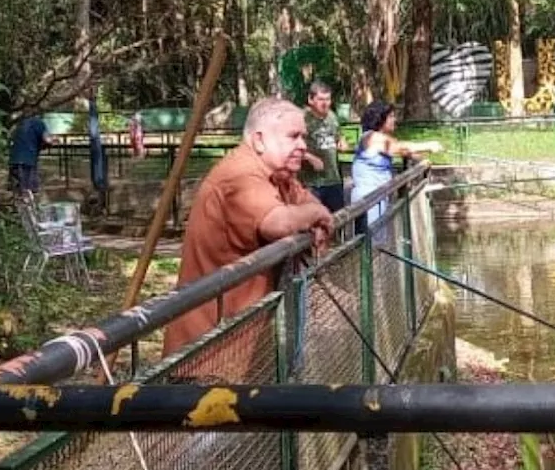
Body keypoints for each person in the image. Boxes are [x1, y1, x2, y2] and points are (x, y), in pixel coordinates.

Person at [162, 97, 334, 366]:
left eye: (304, 137)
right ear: (259, 140)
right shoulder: (240, 174)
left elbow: (306, 201)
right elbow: (278, 223)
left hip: (248, 342)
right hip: (212, 350)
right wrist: (315, 216)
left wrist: (312, 216)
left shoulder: (278, 173)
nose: (303, 145)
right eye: (294, 136)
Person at [350, 101, 442, 226]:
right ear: (380, 119)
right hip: (368, 198)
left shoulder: (383, 138)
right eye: (391, 116)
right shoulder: (372, 137)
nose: (395, 120)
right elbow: (399, 147)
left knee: (379, 240)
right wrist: (428, 145)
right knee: (372, 241)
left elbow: (403, 151)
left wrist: (423, 159)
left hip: (379, 196)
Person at [300, 81, 349, 213]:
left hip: (334, 180)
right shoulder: (301, 118)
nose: (325, 103)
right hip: (312, 184)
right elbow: (290, 147)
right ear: (311, 99)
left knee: (337, 221)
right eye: (321, 99)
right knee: (314, 224)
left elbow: (338, 135)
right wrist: (310, 157)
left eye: (328, 99)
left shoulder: (332, 117)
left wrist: (342, 141)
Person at [8, 114, 54, 194]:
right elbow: (47, 140)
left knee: (17, 187)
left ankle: (20, 201)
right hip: (29, 159)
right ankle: (29, 201)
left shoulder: (20, 124)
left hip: (14, 159)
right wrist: (51, 142)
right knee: (30, 187)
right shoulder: (39, 123)